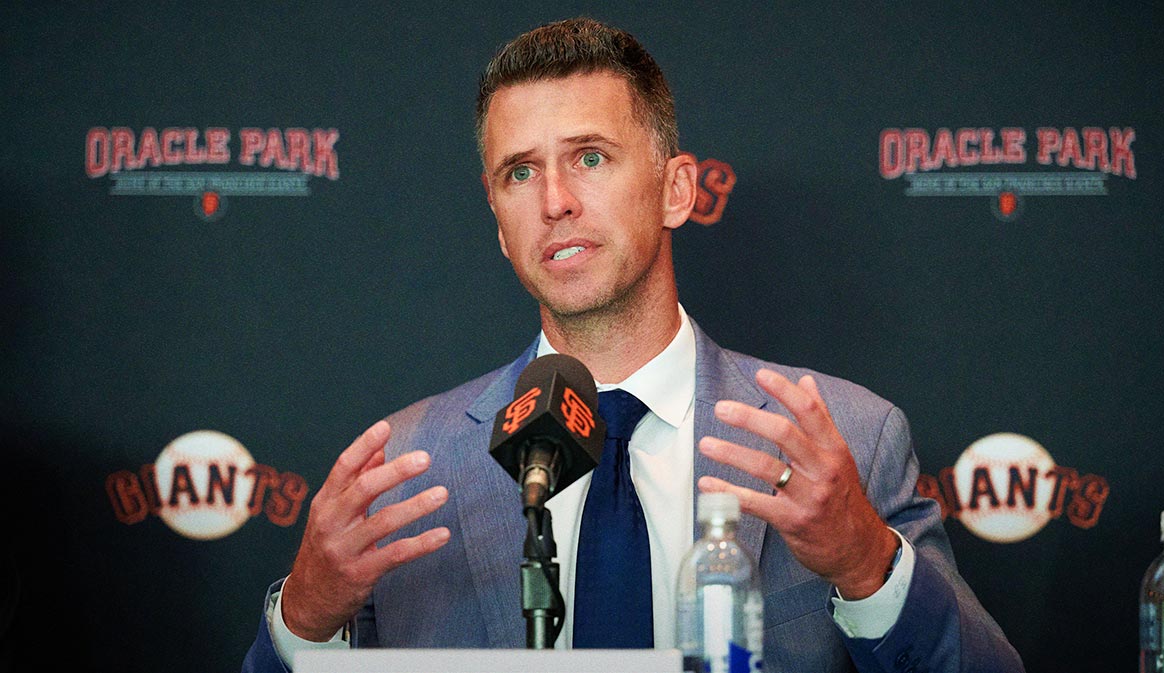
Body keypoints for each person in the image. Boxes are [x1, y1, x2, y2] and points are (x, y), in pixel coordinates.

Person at [243, 17, 1024, 673]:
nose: (555, 202)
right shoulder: (406, 471)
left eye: (590, 157)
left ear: (676, 189)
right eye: (520, 173)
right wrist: (305, 618)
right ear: (498, 221)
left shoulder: (847, 437)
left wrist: (864, 564)